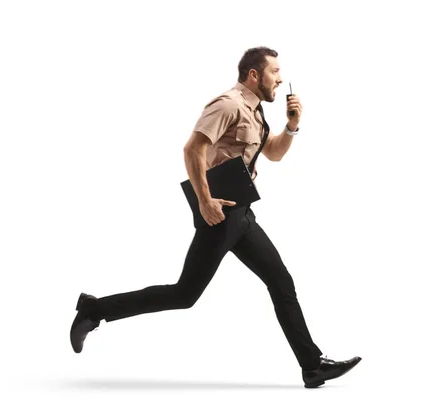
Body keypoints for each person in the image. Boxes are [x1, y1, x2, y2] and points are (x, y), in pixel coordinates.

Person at [70, 46, 362, 388]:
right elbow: (193, 148)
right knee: (184, 295)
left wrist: (292, 127)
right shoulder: (227, 104)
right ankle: (94, 310)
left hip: (243, 215)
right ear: (254, 75)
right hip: (221, 214)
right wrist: (204, 200)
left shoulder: (255, 113)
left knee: (281, 281)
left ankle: (312, 367)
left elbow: (274, 154)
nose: (280, 79)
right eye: (274, 72)